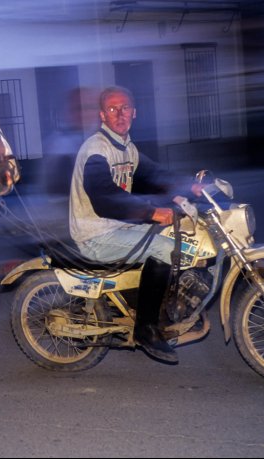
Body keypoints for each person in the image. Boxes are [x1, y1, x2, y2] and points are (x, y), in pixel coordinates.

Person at [68, 85, 202, 364]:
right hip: (95, 233)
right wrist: (151, 212)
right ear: (102, 115)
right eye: (113, 109)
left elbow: (154, 173)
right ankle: (146, 328)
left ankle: (153, 303)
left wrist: (191, 186)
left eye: (125, 108)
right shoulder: (96, 149)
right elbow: (105, 198)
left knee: (180, 238)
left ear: (135, 113)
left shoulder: (127, 147)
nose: (120, 114)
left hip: (116, 227)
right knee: (166, 250)